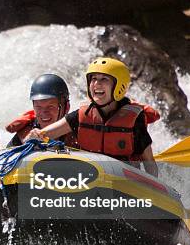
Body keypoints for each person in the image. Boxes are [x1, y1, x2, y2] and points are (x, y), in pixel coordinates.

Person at [25, 58, 160, 176]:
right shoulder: (81, 115)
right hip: (91, 178)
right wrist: (35, 136)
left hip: (123, 181)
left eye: (104, 79)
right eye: (94, 79)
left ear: (119, 85)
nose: (97, 84)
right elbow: (47, 134)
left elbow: (149, 163)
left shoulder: (134, 120)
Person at [5, 74, 77, 148]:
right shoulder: (25, 133)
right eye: (38, 107)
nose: (44, 112)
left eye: (50, 106)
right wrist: (27, 144)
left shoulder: (77, 130)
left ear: (67, 107)